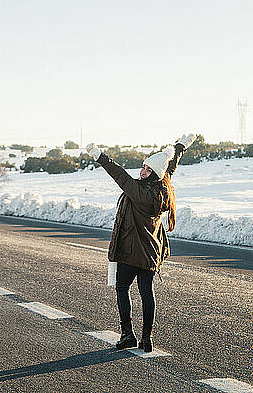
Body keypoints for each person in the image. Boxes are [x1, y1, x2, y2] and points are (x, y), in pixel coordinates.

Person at [86, 134, 196, 352]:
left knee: (122, 288)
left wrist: (100, 156)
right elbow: (169, 167)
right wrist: (180, 147)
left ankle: (128, 334)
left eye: (146, 169)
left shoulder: (138, 191)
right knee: (147, 292)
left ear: (153, 174)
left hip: (130, 251)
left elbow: (120, 176)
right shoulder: (162, 187)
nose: (142, 171)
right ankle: (147, 339)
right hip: (151, 252)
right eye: (143, 167)